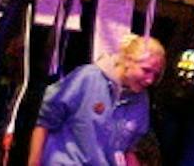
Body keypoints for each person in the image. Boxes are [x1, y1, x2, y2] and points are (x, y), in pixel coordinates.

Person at [31, 34, 167, 166]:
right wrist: (34, 162)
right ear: (128, 60)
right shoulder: (88, 77)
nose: (150, 80)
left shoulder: (141, 100)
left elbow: (128, 149)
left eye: (156, 75)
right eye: (146, 70)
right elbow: (44, 122)